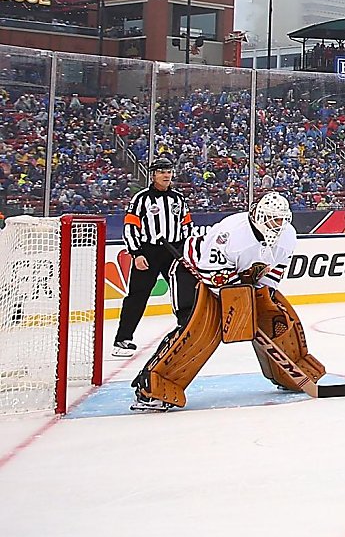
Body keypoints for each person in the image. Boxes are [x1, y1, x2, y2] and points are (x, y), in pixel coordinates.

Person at [130, 193, 329, 412]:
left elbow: (273, 274)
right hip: (194, 274)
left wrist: (259, 298)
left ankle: (290, 375)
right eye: (274, 219)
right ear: (260, 216)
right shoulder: (232, 231)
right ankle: (151, 389)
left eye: (282, 219)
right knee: (197, 331)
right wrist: (239, 303)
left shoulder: (287, 236)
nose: (279, 225)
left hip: (240, 281)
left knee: (276, 319)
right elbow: (210, 273)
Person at [112, 157, 194, 356]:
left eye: (169, 171)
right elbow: (130, 228)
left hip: (174, 251)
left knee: (184, 291)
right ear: (153, 175)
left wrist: (187, 251)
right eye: (162, 171)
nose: (167, 175)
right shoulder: (140, 199)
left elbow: (187, 226)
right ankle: (122, 340)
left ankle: (188, 330)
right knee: (137, 296)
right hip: (148, 252)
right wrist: (137, 253)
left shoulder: (178, 199)